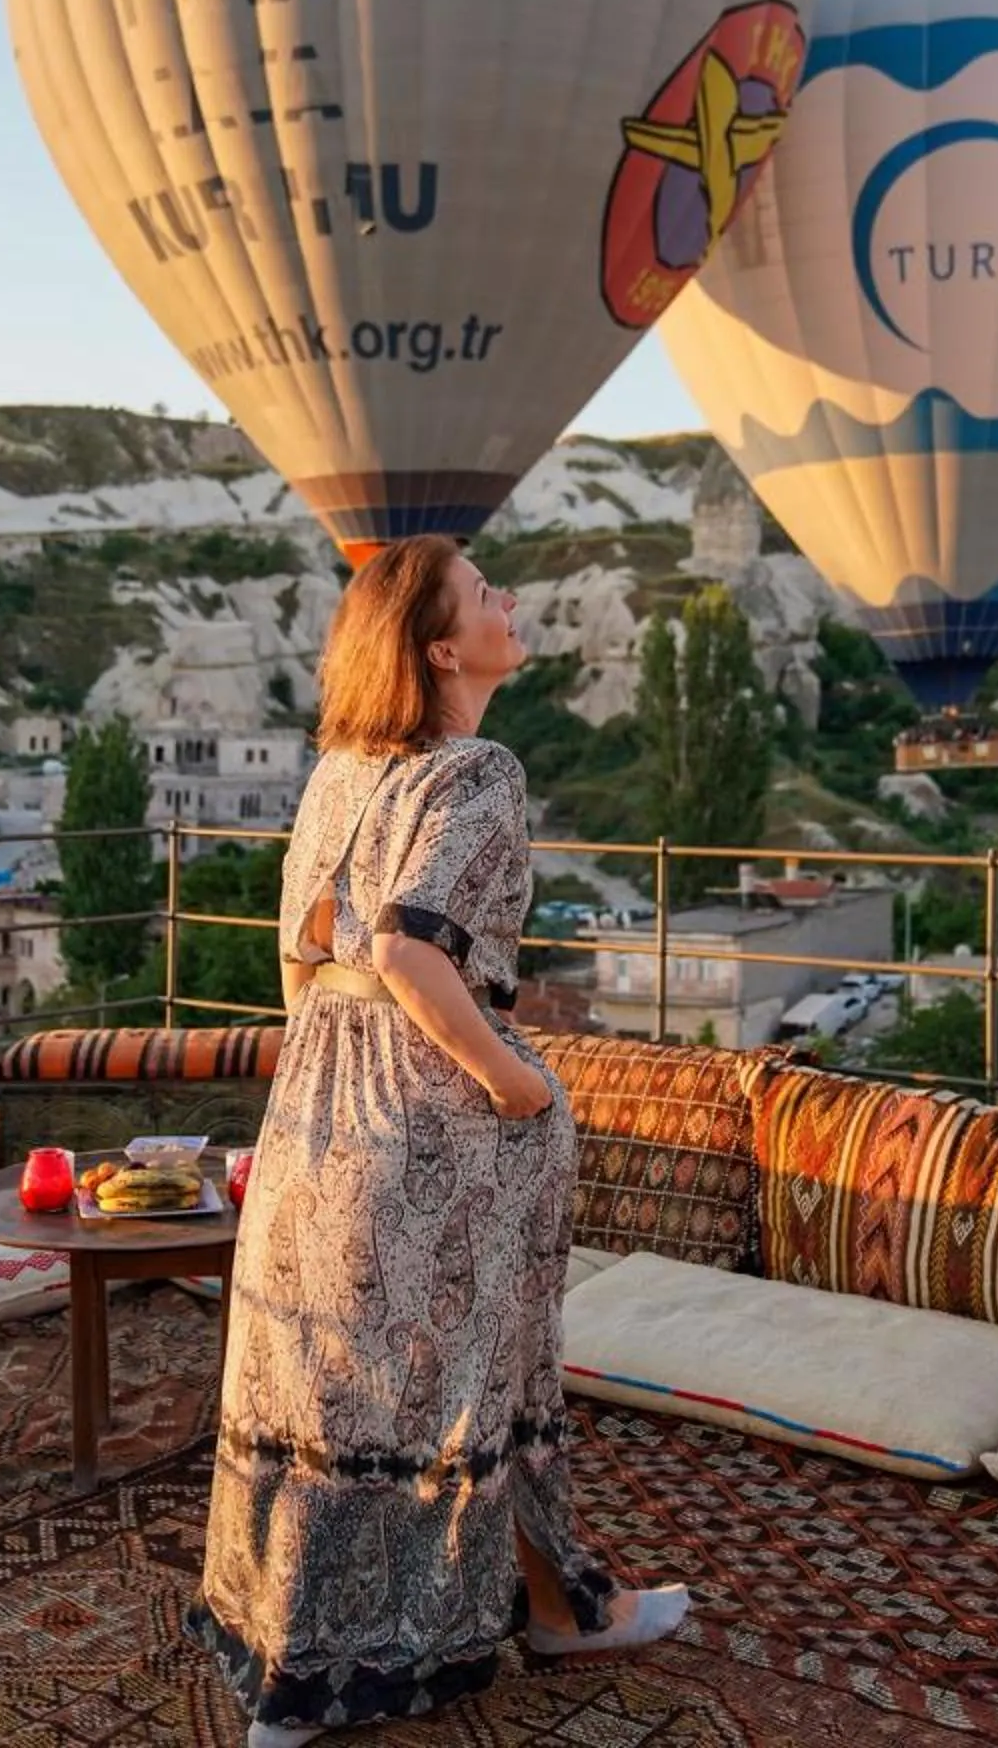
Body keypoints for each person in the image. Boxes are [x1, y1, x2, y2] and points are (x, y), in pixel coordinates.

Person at [187, 536, 688, 1746]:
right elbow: (413, 953)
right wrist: (515, 1083)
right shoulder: (478, 770)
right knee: (471, 1383)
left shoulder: (338, 772)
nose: (508, 600)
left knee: (331, 1387)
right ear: (441, 648)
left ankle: (521, 1607)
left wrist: (330, 1095)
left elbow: (301, 964)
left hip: (316, 1116)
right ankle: (336, 1673)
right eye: (482, 593)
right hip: (432, 1129)